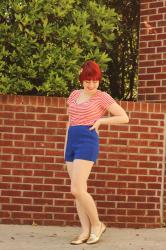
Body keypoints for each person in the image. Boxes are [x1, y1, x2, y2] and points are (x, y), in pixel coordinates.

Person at [64, 60, 129, 245]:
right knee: (78, 192)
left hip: (87, 141)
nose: (91, 85)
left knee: (77, 188)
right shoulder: (74, 94)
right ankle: (85, 231)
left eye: (94, 81)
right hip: (72, 142)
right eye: (87, 80)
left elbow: (124, 117)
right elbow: (70, 121)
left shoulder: (102, 97)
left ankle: (97, 224)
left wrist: (101, 121)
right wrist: (65, 148)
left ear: (99, 80)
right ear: (82, 80)